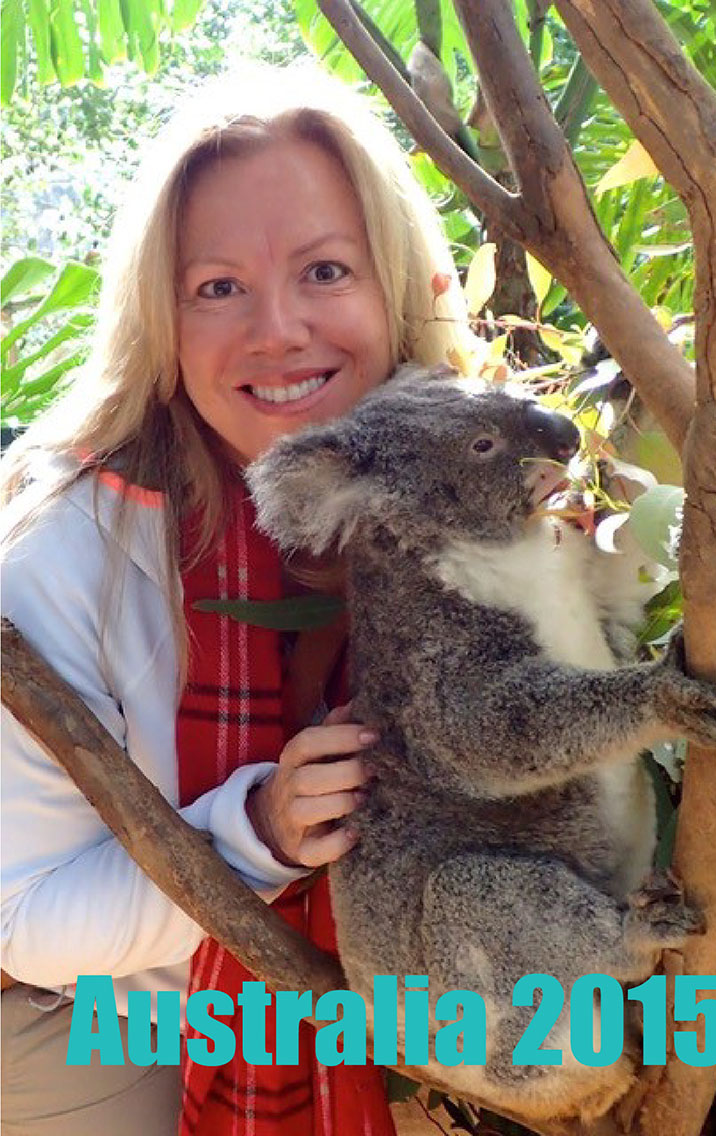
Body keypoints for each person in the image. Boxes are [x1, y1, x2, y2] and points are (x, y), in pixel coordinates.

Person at [1, 62, 475, 1136]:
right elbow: (24, 916)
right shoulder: (64, 552)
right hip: (105, 1008)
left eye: (323, 269)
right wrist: (255, 830)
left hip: (408, 990)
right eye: (217, 287)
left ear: (394, 283)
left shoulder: (476, 479)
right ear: (160, 323)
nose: (277, 331)